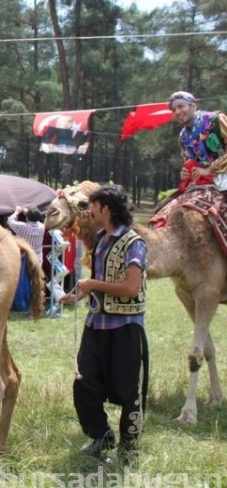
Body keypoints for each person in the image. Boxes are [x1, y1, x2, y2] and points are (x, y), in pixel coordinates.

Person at [60, 185, 148, 466]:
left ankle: (129, 451)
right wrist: (77, 294)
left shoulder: (134, 243)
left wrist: (93, 284)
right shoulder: (100, 239)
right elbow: (99, 278)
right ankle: (101, 436)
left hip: (125, 328)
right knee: (84, 383)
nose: (89, 212)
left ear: (106, 209)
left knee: (128, 391)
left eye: (93, 207)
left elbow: (131, 288)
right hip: (96, 323)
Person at [169, 91, 227, 193]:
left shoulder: (216, 120)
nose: (177, 112)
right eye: (174, 110)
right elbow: (189, 161)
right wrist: (185, 173)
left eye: (181, 106)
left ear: (193, 106)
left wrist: (210, 170)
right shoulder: (183, 137)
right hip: (202, 182)